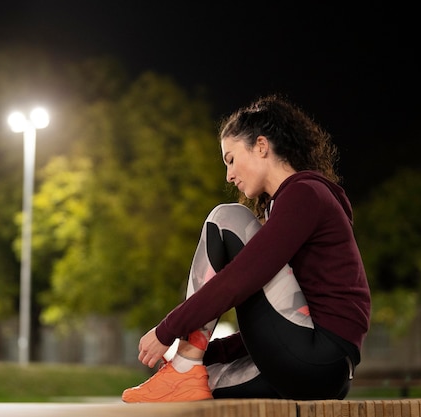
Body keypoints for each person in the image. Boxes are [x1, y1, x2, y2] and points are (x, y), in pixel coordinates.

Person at [122, 94, 371, 402]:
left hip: (319, 358)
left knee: (227, 217)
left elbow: (239, 279)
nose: (229, 175)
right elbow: (276, 318)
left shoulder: (305, 195)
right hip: (320, 372)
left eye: (231, 159)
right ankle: (186, 367)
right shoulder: (290, 205)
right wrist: (206, 351)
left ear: (262, 147)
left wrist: (168, 330)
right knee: (198, 383)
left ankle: (186, 365)